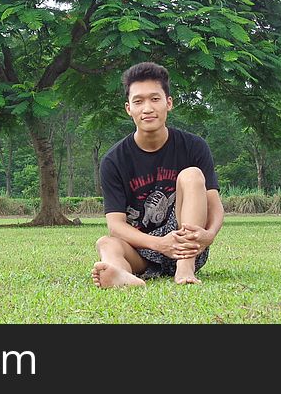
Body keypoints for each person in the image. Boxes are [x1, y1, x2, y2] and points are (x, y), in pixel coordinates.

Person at [91, 62, 224, 287]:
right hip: (142, 250)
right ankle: (121, 275)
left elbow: (214, 203)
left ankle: (185, 267)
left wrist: (208, 235)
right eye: (138, 101)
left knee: (191, 175)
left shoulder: (193, 146)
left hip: (188, 245)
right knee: (106, 243)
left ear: (168, 103)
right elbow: (116, 225)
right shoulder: (113, 160)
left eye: (155, 99)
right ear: (128, 108)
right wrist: (159, 243)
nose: (147, 108)